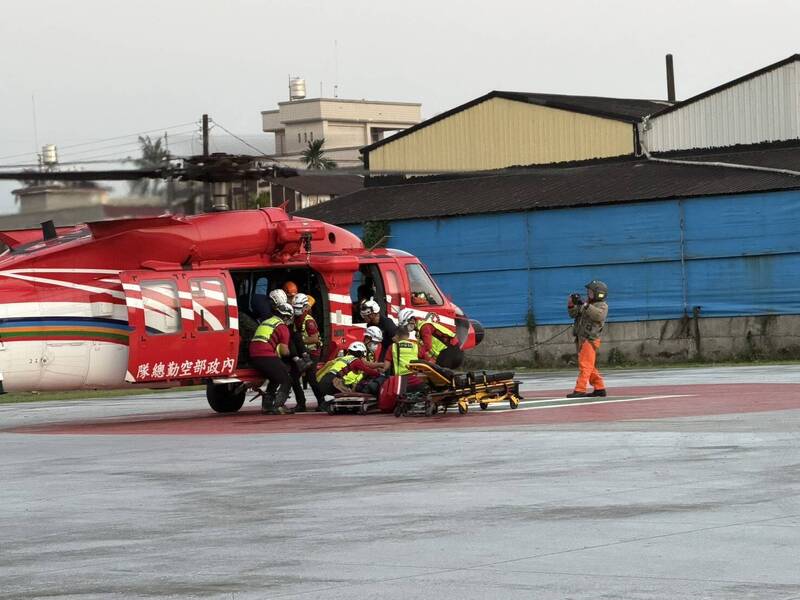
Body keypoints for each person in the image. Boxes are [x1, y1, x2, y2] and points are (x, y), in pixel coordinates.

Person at [249, 302, 295, 414]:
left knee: (275, 378)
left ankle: (267, 406)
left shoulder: (266, 321)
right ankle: (278, 406)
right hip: (265, 355)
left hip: (254, 356)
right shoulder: (282, 327)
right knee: (287, 379)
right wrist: (292, 355)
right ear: (285, 316)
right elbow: (284, 351)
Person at [566, 279, 609, 398]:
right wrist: (572, 304)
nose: (588, 294)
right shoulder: (586, 304)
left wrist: (585, 305)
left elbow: (598, 315)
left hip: (590, 339)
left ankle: (580, 389)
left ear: (598, 293)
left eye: (590, 292)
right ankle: (600, 388)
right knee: (590, 366)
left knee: (585, 365)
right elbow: (573, 314)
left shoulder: (602, 306)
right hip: (581, 338)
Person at [397, 308, 464, 369]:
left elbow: (427, 346)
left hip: (451, 352)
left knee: (440, 374)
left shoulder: (425, 327)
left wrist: (414, 354)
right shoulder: (419, 331)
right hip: (449, 352)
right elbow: (428, 350)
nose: (406, 329)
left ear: (412, 320)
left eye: (406, 326)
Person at [290, 293, 324, 412]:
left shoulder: (309, 322)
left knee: (311, 377)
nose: (296, 310)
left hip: (312, 352)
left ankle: (322, 402)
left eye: (299, 308)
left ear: (305, 307)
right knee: (293, 378)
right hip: (302, 352)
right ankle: (301, 403)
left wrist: (298, 341)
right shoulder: (295, 319)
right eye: (295, 308)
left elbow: (314, 338)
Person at [315, 342, 381, 400]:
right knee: (349, 393)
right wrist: (379, 374)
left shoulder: (344, 358)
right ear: (361, 352)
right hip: (333, 382)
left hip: (324, 380)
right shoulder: (356, 361)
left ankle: (325, 404)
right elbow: (367, 370)